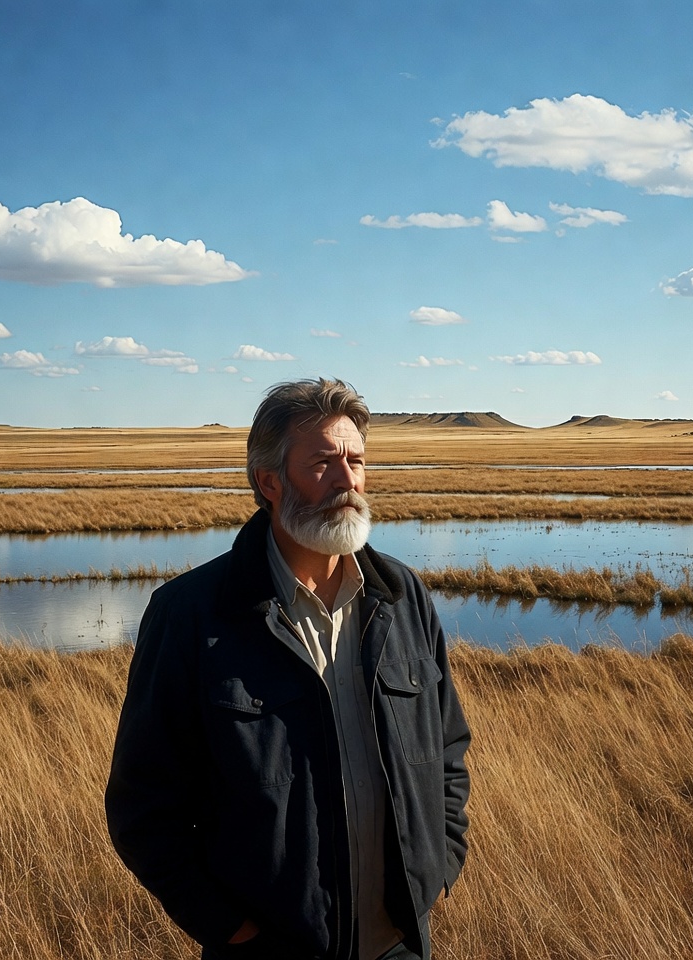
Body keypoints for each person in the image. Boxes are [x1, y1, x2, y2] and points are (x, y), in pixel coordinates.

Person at [105, 377, 471, 960]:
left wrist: (436, 867)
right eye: (323, 463)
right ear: (269, 481)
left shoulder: (402, 598)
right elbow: (142, 807)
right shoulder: (194, 616)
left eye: (356, 460)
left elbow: (447, 750)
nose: (347, 480)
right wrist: (234, 932)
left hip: (398, 944)